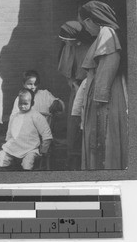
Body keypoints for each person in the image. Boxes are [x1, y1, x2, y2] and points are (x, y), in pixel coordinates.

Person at [78, 0, 128, 170]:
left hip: (107, 96)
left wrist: (99, 99)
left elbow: (108, 65)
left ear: (91, 20)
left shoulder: (107, 33)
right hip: (103, 91)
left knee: (105, 134)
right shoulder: (104, 34)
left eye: (84, 23)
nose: (85, 28)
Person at [58, 21, 93, 170]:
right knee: (73, 124)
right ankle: (72, 161)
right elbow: (67, 72)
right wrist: (73, 84)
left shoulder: (88, 47)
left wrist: (82, 86)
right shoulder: (68, 47)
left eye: (66, 39)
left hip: (89, 89)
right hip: (75, 89)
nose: (64, 42)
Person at [0, 88, 53, 170]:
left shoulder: (36, 116)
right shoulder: (15, 116)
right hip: (16, 145)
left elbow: (46, 134)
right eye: (20, 104)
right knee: (2, 156)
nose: (22, 106)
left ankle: (26, 177)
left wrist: (44, 149)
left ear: (32, 103)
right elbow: (10, 132)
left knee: (27, 162)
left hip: (30, 148)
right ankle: (7, 175)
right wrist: (8, 141)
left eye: (25, 104)